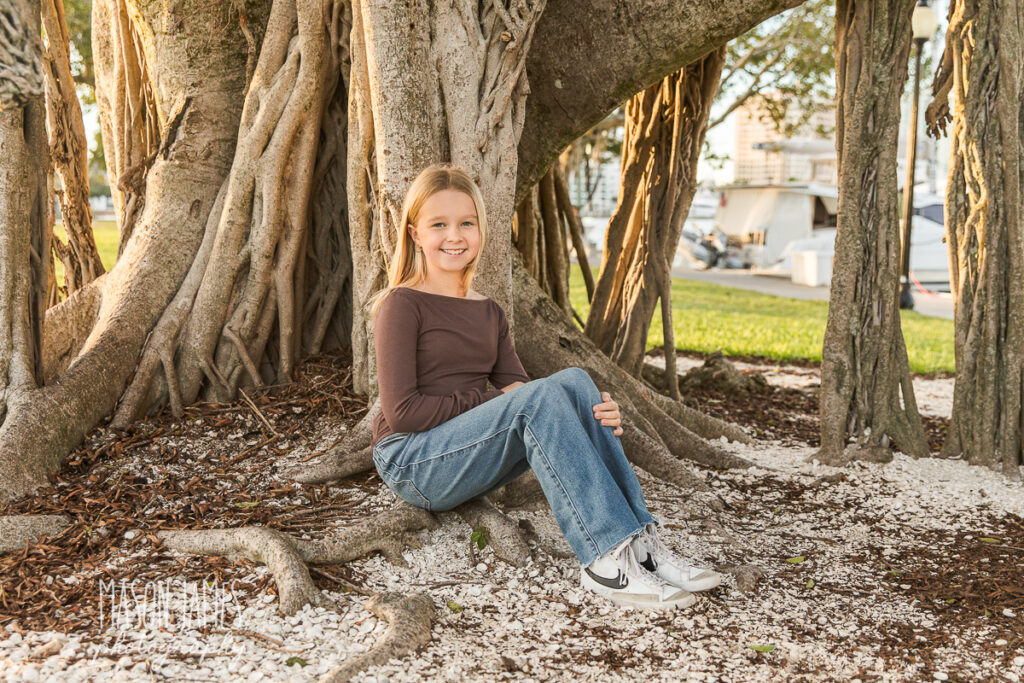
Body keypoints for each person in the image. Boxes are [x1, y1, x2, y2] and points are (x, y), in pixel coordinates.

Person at [366, 162, 721, 610]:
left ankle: (640, 546)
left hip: (463, 452)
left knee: (574, 381)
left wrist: (591, 412)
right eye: (439, 225)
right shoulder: (403, 304)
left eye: (466, 223)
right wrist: (497, 399)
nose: (454, 236)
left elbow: (529, 395)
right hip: (412, 462)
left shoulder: (488, 311)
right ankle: (604, 559)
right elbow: (404, 413)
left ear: (481, 230)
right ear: (415, 234)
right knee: (542, 396)